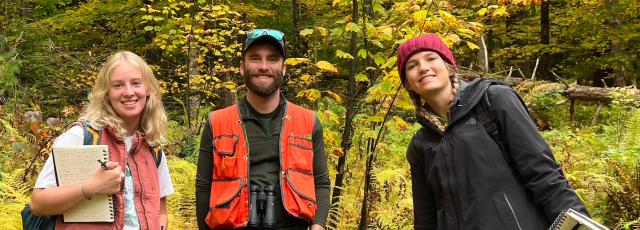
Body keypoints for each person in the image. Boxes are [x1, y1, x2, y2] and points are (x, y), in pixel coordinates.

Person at [397, 34, 589, 229]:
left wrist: (579, 226)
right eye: (412, 65)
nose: (423, 67)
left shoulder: (492, 100)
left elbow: (544, 174)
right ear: (407, 83)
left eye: (431, 58)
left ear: (449, 66)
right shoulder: (420, 145)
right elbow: (425, 218)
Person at [195, 29, 330, 230]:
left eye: (273, 59)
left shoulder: (308, 121)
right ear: (242, 67)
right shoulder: (217, 122)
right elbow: (204, 187)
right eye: (255, 59)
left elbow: (320, 182)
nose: (264, 66)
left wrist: (318, 226)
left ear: (283, 68)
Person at [29, 51, 174, 229]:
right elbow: (38, 203)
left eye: (136, 83)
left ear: (148, 89)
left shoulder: (152, 147)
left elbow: (160, 212)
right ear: (106, 93)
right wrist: (91, 187)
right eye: (118, 85)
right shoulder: (82, 137)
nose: (129, 92)